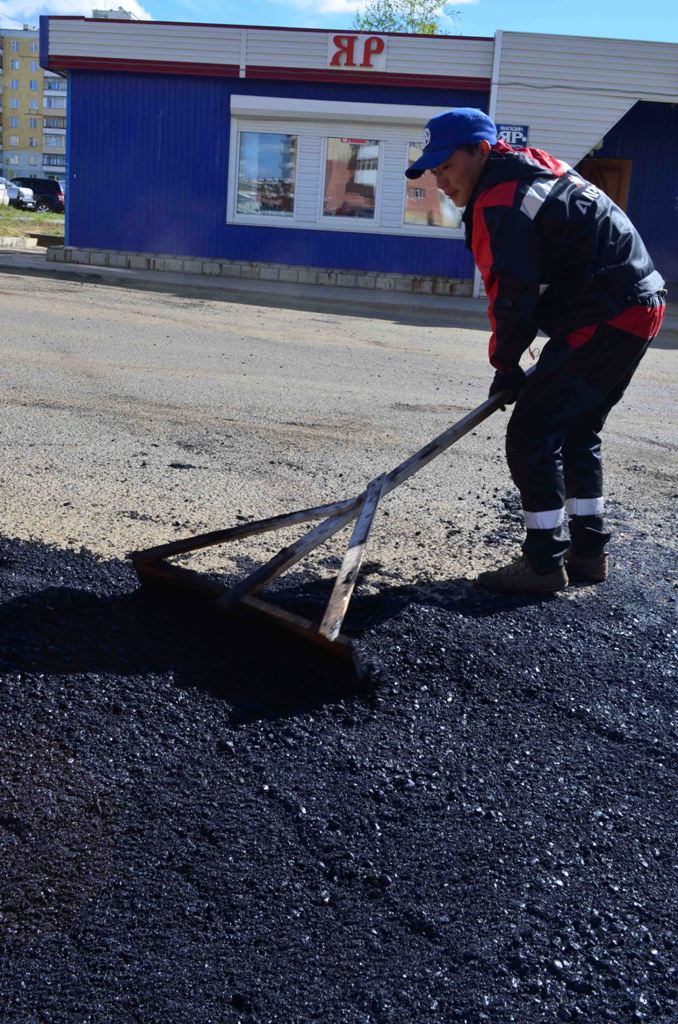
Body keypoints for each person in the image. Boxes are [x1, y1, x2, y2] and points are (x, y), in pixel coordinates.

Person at [406, 108, 666, 595]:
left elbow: (511, 296)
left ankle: (544, 563)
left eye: (446, 167)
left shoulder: (499, 198)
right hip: (638, 303)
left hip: (608, 311)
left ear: (480, 150)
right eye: (434, 171)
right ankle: (589, 555)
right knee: (577, 426)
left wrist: (506, 366)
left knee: (530, 432)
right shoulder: (531, 164)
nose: (440, 181)